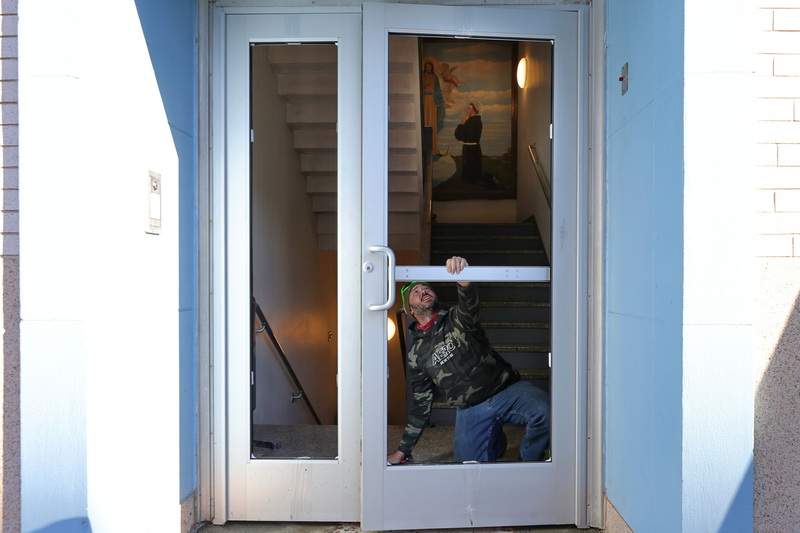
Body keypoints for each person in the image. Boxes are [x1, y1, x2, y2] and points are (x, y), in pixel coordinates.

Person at [387, 256, 550, 464]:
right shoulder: (416, 354)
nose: (423, 292)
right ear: (411, 310)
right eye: (415, 293)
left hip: (505, 390)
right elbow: (421, 404)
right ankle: (495, 439)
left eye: (426, 288)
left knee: (545, 412)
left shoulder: (455, 317)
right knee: (465, 470)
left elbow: (469, 308)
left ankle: (529, 463)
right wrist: (402, 451)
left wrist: (464, 281)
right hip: (471, 408)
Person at [422, 60, 446, 153]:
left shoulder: (434, 77)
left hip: (432, 101)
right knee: (424, 121)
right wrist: (425, 85)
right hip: (424, 100)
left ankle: (433, 149)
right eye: (426, 67)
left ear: (432, 67)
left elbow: (437, 89)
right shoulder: (422, 76)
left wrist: (441, 101)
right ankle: (424, 147)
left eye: (429, 67)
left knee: (432, 123)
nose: (428, 68)